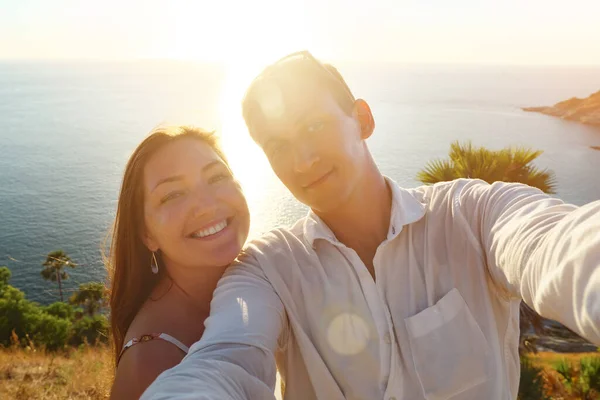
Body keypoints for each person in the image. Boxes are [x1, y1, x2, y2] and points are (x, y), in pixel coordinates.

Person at [142, 52, 600, 400]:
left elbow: (558, 246)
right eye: (279, 145)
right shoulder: (267, 271)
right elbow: (227, 359)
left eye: (315, 125)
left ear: (362, 119)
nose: (302, 159)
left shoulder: (473, 214)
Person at [106, 125, 250, 399]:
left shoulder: (253, 282)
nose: (207, 204)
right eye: (173, 194)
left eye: (217, 177)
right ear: (147, 234)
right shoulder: (154, 369)